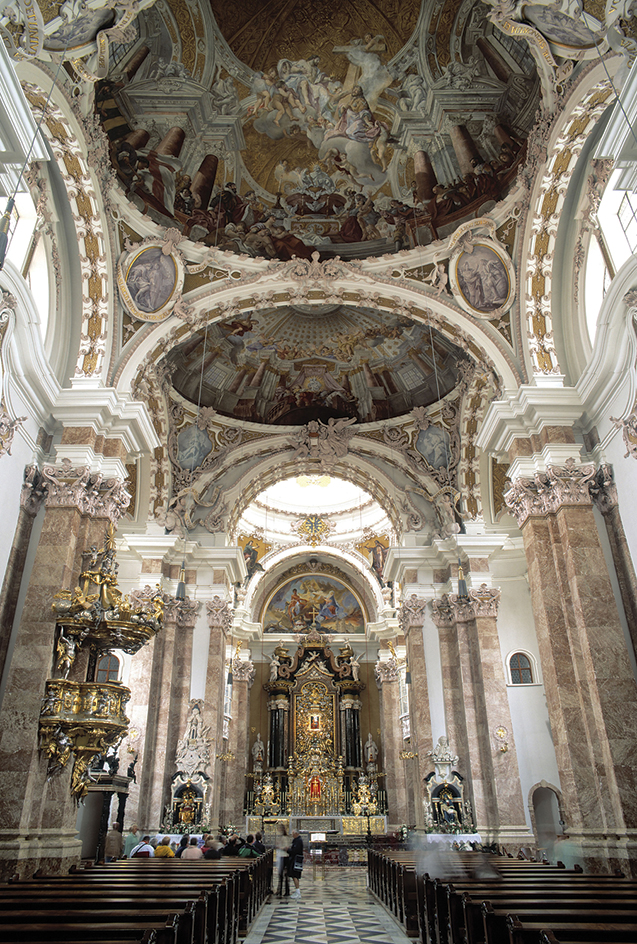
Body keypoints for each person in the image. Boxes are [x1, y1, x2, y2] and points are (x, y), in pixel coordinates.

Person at [288, 829, 304, 899]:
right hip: (294, 859)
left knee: (295, 876)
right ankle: (297, 891)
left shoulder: (298, 841)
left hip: (296, 860)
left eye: (293, 833)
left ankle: (298, 892)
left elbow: (295, 851)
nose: (292, 835)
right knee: (294, 876)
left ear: (296, 834)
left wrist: (288, 850)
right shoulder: (296, 840)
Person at [275, 824, 289, 896]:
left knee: (282, 874)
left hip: (284, 857)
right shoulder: (281, 837)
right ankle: (279, 890)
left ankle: (284, 890)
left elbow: (286, 847)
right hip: (281, 856)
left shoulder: (284, 837)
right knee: (280, 874)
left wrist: (280, 847)